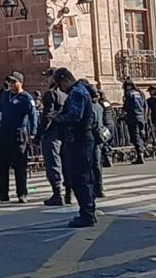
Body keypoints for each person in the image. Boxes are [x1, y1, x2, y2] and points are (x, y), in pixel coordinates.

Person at [50, 68, 98, 228]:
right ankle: (88, 211)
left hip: (79, 139)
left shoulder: (77, 92)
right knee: (83, 176)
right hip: (81, 139)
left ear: (65, 80)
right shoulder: (80, 90)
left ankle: (87, 214)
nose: (60, 89)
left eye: (60, 85)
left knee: (80, 177)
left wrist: (57, 117)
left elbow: (75, 116)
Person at [0, 72, 39, 204]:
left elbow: (33, 116)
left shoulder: (26, 98)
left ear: (20, 83)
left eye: (13, 82)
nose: (11, 84)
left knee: (20, 166)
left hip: (19, 134)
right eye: (9, 82)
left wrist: (33, 133)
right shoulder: (4, 95)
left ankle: (22, 193)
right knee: (1, 165)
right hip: (4, 134)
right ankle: (2, 193)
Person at [39, 68, 69, 206]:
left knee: (53, 163)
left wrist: (38, 135)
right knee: (65, 162)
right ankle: (68, 193)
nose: (47, 80)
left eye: (48, 77)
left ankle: (57, 194)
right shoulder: (65, 94)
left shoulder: (51, 94)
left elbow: (47, 117)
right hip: (64, 132)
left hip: (52, 133)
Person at [121, 79, 147, 164]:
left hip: (133, 117)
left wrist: (121, 116)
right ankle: (143, 151)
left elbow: (126, 107)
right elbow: (145, 106)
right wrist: (145, 117)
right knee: (140, 135)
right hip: (141, 117)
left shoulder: (129, 94)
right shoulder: (140, 93)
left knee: (135, 136)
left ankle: (140, 155)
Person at [90, 89, 109, 199]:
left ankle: (96, 188)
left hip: (91, 137)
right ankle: (99, 188)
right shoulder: (99, 106)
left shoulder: (90, 107)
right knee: (97, 164)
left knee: (93, 164)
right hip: (99, 137)